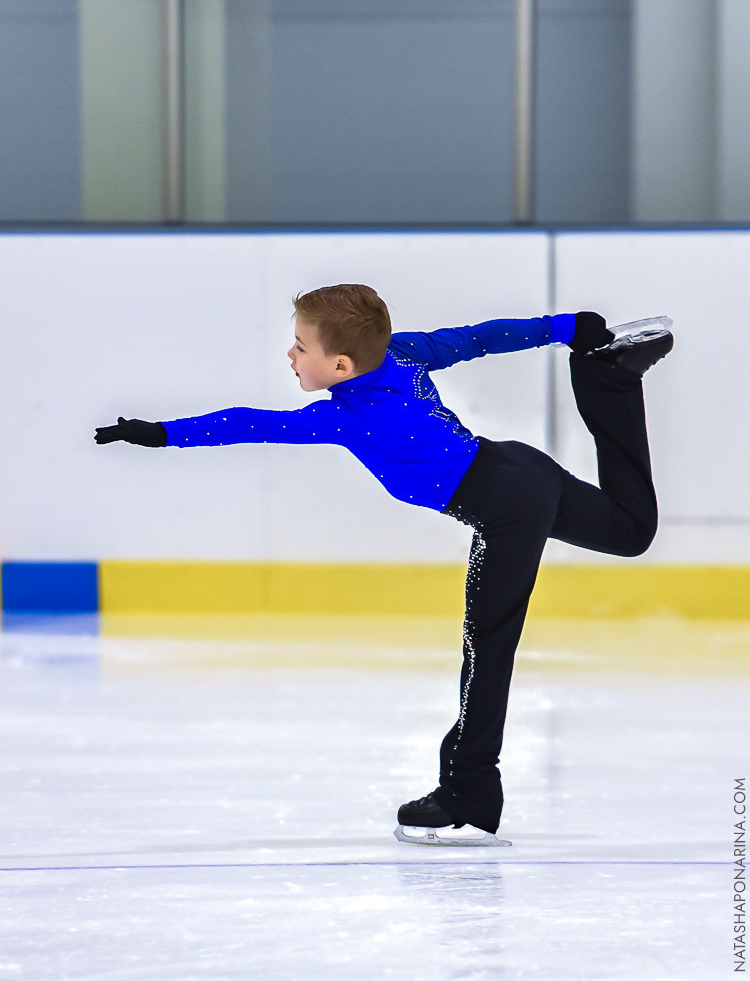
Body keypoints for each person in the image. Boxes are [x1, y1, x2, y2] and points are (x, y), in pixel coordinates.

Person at [95, 283, 673, 846]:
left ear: (341, 364)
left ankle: (468, 796)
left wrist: (164, 435)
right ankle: (610, 375)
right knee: (631, 530)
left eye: (301, 346)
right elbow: (476, 339)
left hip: (507, 509)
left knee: (487, 645)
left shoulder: (345, 417)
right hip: (520, 470)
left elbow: (255, 423)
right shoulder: (399, 354)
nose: (290, 355)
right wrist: (565, 329)